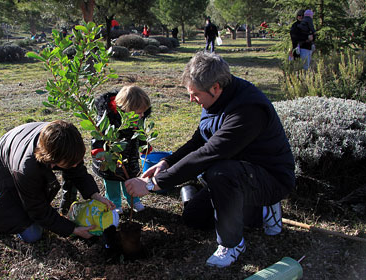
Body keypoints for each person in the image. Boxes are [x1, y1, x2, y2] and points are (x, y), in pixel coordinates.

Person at [125, 52, 295, 268]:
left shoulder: (247, 110)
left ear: (215, 87)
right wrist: (166, 162)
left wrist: (152, 185)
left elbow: (209, 153)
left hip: (269, 178)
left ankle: (232, 244)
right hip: (239, 172)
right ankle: (259, 212)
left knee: (218, 172)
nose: (191, 100)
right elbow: (200, 138)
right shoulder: (215, 100)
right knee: (193, 217)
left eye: (195, 94)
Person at [0, 120, 115, 243]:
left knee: (43, 214)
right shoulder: (26, 169)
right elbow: (38, 209)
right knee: (33, 234)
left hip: (14, 156)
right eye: (70, 163)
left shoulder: (62, 140)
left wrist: (95, 195)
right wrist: (73, 230)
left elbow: (78, 171)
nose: (75, 165)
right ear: (52, 159)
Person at [91, 86, 152, 214]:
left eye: (143, 112)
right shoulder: (107, 117)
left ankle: (133, 200)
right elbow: (98, 134)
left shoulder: (138, 118)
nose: (142, 116)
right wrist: (98, 150)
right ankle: (114, 203)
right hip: (110, 159)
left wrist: (144, 146)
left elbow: (140, 133)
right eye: (139, 112)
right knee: (112, 181)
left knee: (130, 178)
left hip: (130, 157)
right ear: (126, 110)